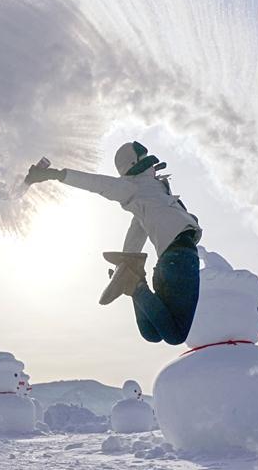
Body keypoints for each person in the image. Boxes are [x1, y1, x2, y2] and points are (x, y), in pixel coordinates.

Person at [25, 141, 202, 345]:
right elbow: (98, 184)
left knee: (151, 333)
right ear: (137, 164)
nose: (153, 165)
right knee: (175, 335)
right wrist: (55, 174)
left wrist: (125, 263)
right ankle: (133, 284)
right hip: (181, 257)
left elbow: (137, 232)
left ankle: (134, 280)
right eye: (147, 160)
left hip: (169, 261)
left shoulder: (152, 193)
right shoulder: (133, 186)